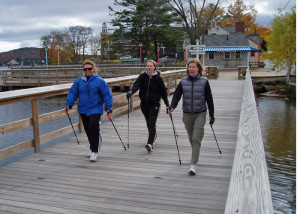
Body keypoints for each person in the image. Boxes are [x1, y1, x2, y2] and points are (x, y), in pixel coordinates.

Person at [168, 58, 215, 175]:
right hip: (187, 114)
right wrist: (171, 107)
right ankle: (196, 150)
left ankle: (193, 165)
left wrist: (212, 116)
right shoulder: (183, 81)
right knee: (191, 138)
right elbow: (177, 96)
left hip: (200, 113)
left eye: (194, 67)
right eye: (190, 67)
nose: (192, 69)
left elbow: (209, 100)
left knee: (196, 139)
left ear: (198, 68)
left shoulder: (204, 81)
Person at [65, 60, 113, 162]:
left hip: (95, 108)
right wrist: (69, 104)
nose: (87, 70)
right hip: (83, 109)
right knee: (87, 130)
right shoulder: (79, 81)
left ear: (93, 69)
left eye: (89, 69)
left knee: (93, 128)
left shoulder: (99, 81)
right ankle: (92, 148)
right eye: (85, 69)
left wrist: (108, 108)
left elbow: (107, 95)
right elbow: (73, 93)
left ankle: (95, 152)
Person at [127, 60, 169, 152]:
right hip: (144, 104)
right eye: (147, 66)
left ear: (154, 67)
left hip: (155, 104)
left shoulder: (158, 78)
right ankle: (153, 136)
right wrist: (131, 92)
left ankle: (150, 143)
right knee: (148, 122)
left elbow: (163, 92)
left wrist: (167, 104)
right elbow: (136, 85)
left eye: (151, 66)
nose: (149, 67)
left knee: (152, 122)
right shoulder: (142, 77)